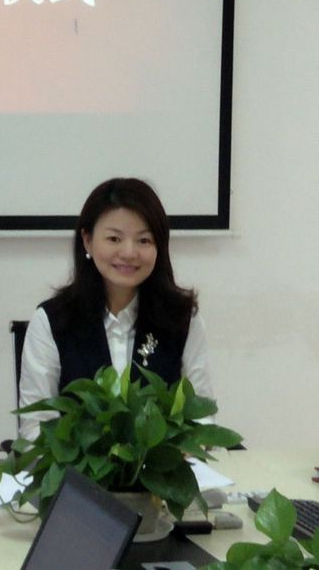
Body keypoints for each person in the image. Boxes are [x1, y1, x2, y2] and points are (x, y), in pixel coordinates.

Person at [19, 177, 213, 440]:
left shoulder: (182, 318)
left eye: (144, 240)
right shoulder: (52, 321)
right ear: (87, 240)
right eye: (114, 238)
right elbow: (35, 428)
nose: (129, 252)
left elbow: (201, 416)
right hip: (74, 467)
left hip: (164, 467)